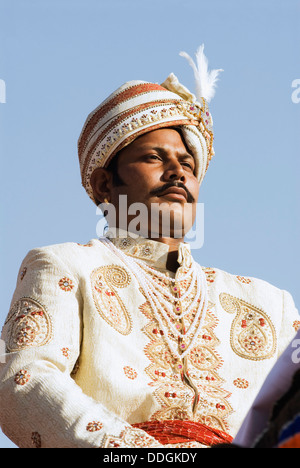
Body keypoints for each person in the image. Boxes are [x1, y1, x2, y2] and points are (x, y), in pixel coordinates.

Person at [0, 46, 298, 449]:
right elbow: (24, 381)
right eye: (155, 158)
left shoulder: (269, 304)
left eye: (189, 165)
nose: (178, 172)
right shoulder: (64, 265)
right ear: (107, 185)